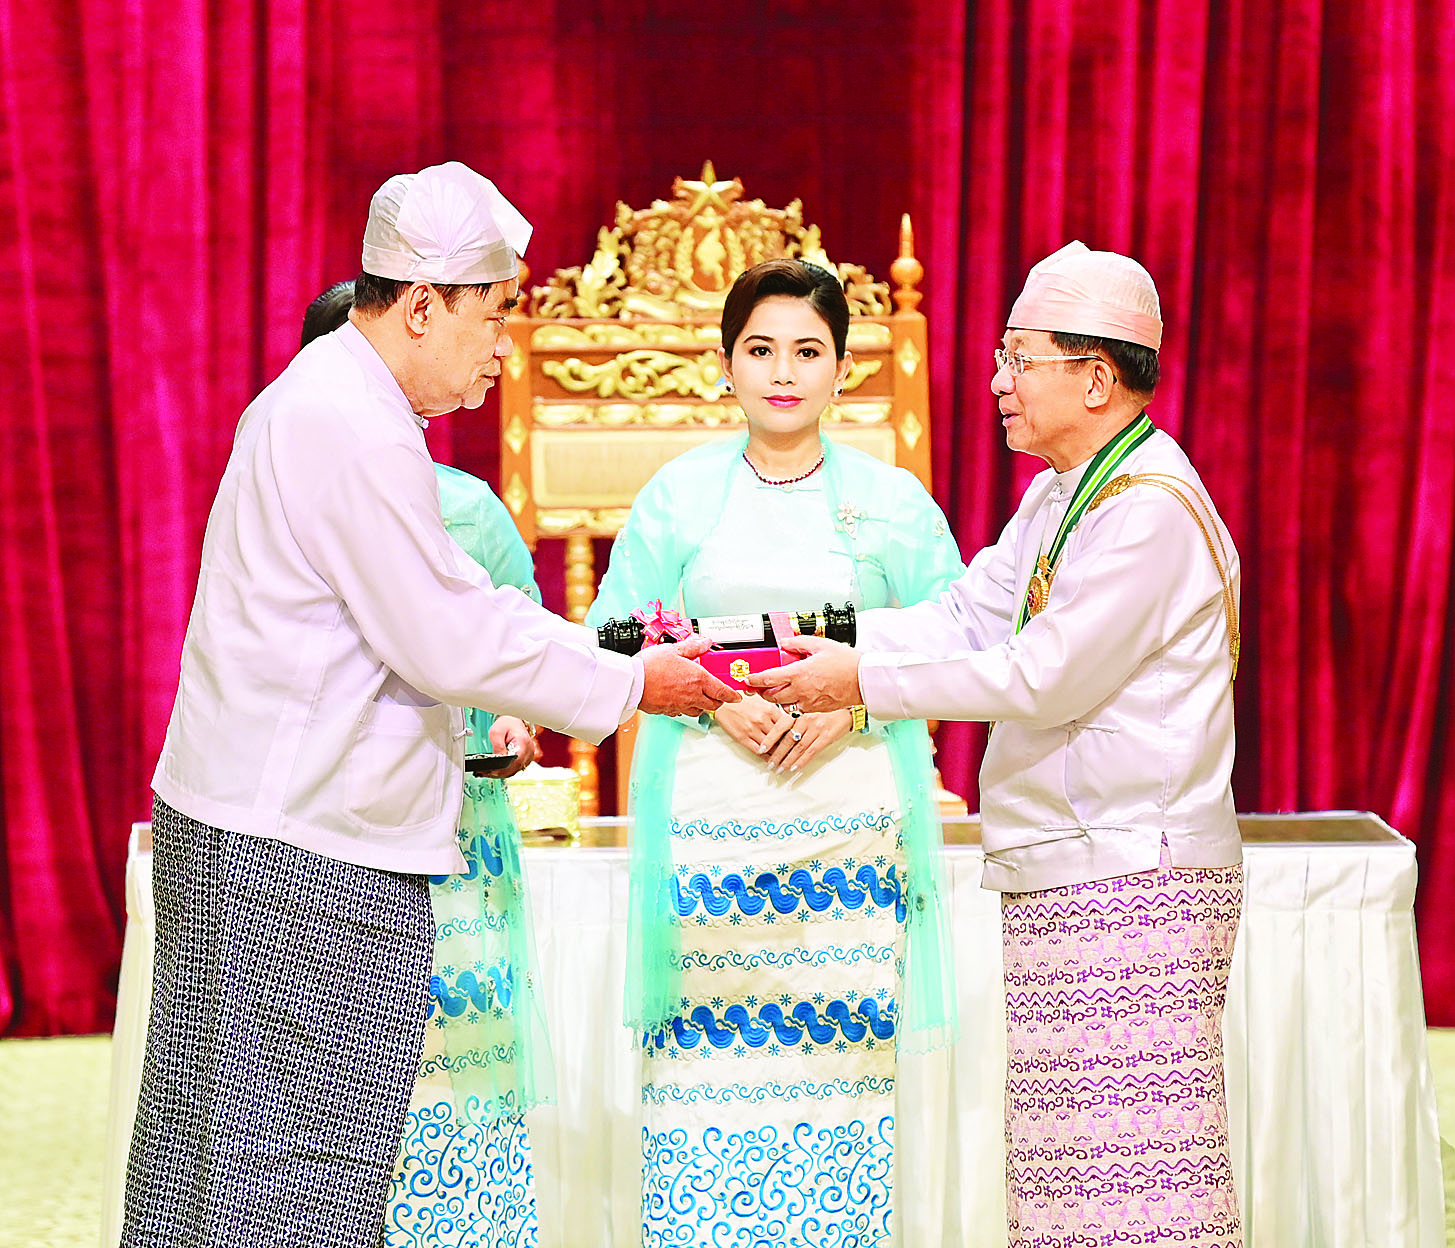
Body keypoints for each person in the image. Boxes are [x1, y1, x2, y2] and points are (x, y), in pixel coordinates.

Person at [124, 162, 737, 1248]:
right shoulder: (347, 424)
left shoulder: (338, 403)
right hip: (296, 847)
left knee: (217, 1155)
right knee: (289, 1177)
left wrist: (610, 658)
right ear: (420, 306)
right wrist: (633, 681)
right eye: (493, 315)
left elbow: (457, 603)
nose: (504, 346)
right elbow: (447, 635)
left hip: (266, 825)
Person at [750, 242, 1244, 1248]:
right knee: (1068, 1181)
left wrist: (859, 684)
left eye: (1019, 359)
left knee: (1137, 1184)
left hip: (1132, 869)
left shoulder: (1147, 509)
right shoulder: (1065, 492)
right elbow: (967, 619)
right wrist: (829, 639)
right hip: (1073, 863)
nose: (997, 383)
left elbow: (1041, 675)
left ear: (1095, 379)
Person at [585, 258, 964, 1247]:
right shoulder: (678, 496)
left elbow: (959, 637)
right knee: (704, 1073)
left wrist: (859, 703)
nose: (783, 372)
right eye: (760, 350)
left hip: (848, 828)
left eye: (808, 351)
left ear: (843, 368)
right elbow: (609, 635)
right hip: (710, 821)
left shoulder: (892, 502)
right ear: (725, 365)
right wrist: (711, 701)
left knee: (841, 1070)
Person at [301, 280, 548, 1246]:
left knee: (461, 1055)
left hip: (460, 823)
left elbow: (521, 642)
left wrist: (514, 721)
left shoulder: (469, 507)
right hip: (339, 828)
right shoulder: (294, 484)